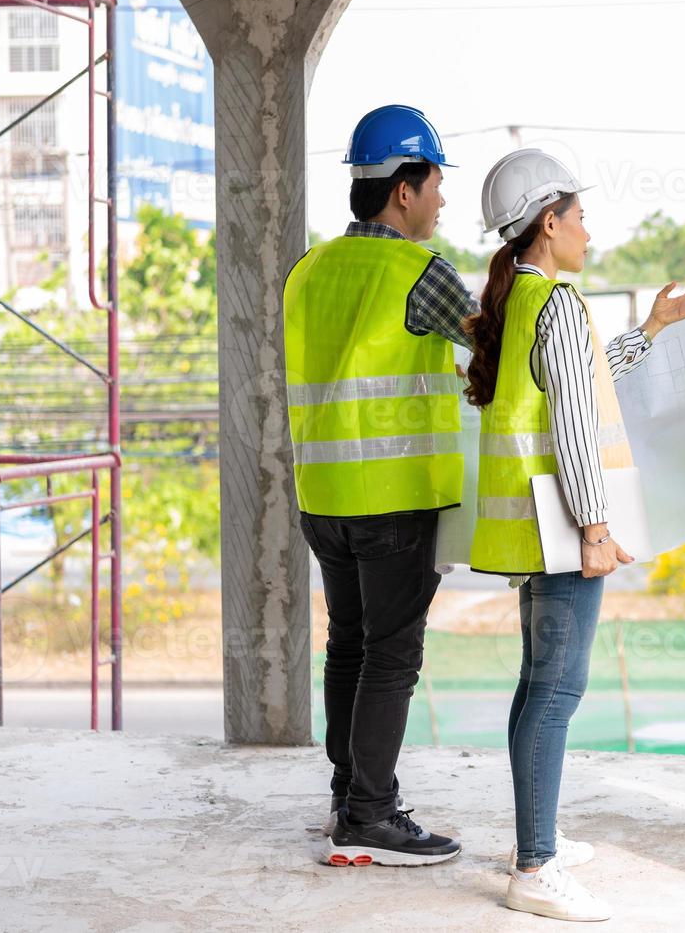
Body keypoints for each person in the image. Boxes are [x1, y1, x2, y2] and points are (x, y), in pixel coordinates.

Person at [464, 148, 685, 921]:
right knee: (557, 690)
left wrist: (649, 328)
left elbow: (583, 379)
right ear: (548, 221)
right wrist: (597, 530)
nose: (587, 228)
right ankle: (535, 866)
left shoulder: (529, 303)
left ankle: (533, 840)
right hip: (565, 527)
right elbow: (574, 425)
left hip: (535, 525)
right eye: (577, 215)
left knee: (537, 683)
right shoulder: (561, 305)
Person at [282, 104, 477, 867]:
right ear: (404, 189)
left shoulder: (310, 268)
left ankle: (347, 793)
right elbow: (496, 343)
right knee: (392, 656)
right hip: (394, 500)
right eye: (434, 185)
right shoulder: (418, 270)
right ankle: (369, 814)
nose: (440, 200)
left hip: (323, 500)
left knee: (351, 646)